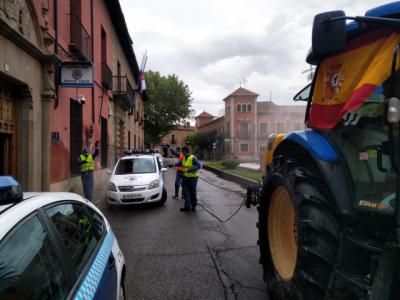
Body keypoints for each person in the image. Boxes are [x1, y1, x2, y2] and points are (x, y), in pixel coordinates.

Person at [176, 146, 201, 212]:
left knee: (192, 192)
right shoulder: (184, 158)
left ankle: (193, 206)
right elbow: (180, 163)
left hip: (193, 178)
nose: (182, 153)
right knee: (186, 193)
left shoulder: (193, 158)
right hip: (185, 178)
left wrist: (189, 170)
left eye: (183, 152)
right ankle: (187, 207)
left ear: (185, 152)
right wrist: (175, 164)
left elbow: (198, 166)